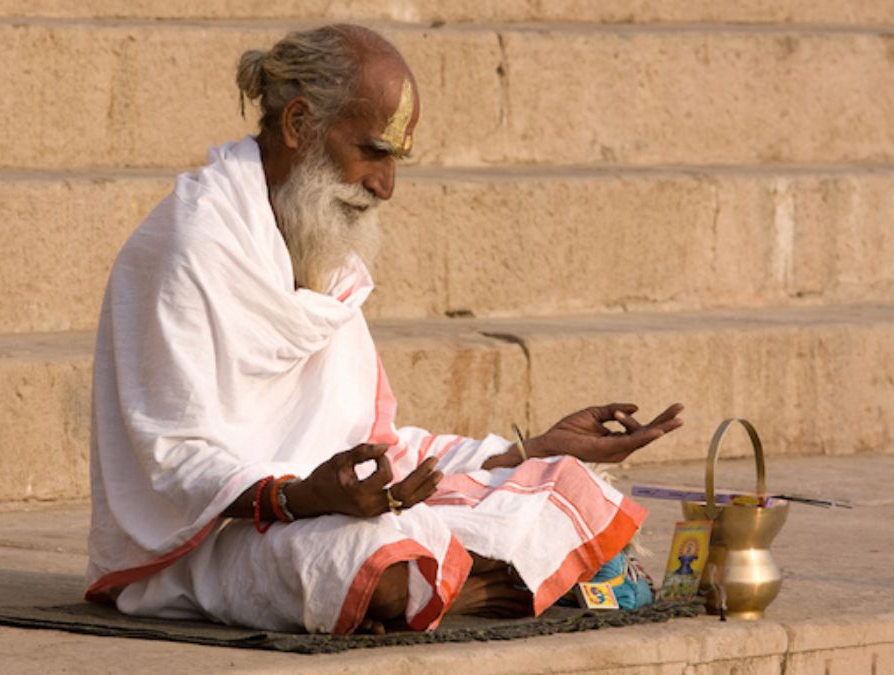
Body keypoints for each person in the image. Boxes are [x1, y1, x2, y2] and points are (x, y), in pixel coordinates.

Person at [84, 24, 683, 635]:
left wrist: (531, 451)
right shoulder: (189, 245)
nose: (385, 185)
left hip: (335, 508)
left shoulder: (320, 252)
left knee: (566, 484)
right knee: (366, 563)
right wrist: (302, 499)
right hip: (209, 540)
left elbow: (380, 447)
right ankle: (471, 585)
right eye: (373, 151)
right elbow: (174, 460)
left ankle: (451, 582)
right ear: (297, 125)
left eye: (395, 160)